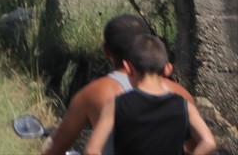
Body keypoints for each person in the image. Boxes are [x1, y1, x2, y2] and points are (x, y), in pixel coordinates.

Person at [43, 15, 200, 155]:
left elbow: (57, 147)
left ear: (106, 50)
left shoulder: (92, 94)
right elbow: (194, 146)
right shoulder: (180, 94)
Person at [85, 34, 215, 155]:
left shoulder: (116, 105)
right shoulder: (184, 106)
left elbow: (92, 151)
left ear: (128, 68)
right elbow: (208, 142)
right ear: (168, 69)